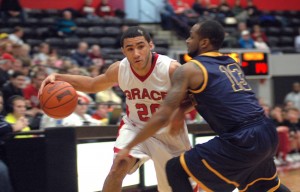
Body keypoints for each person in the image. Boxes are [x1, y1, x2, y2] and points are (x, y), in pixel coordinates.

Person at [115, 20, 291, 192]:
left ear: (204, 42)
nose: (187, 40)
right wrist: (181, 111)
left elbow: (162, 116)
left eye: (192, 36)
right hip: (267, 131)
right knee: (266, 187)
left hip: (241, 137)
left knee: (175, 169)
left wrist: (129, 147)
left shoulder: (189, 69)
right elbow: (212, 95)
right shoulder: (231, 63)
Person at [39, 26, 191, 192]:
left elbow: (197, 97)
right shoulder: (120, 69)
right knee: (117, 168)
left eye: (141, 46)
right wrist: (58, 77)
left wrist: (181, 112)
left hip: (169, 133)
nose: (136, 53)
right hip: (136, 127)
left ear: (151, 46)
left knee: (178, 187)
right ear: (123, 51)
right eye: (130, 49)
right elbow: (92, 84)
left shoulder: (170, 68)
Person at [0, 91, 28, 192]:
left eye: (1, 103)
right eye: (19, 106)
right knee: (2, 171)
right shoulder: (9, 122)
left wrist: (15, 127)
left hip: (6, 153)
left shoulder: (1, 119)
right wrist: (13, 127)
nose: (0, 106)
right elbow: (5, 128)